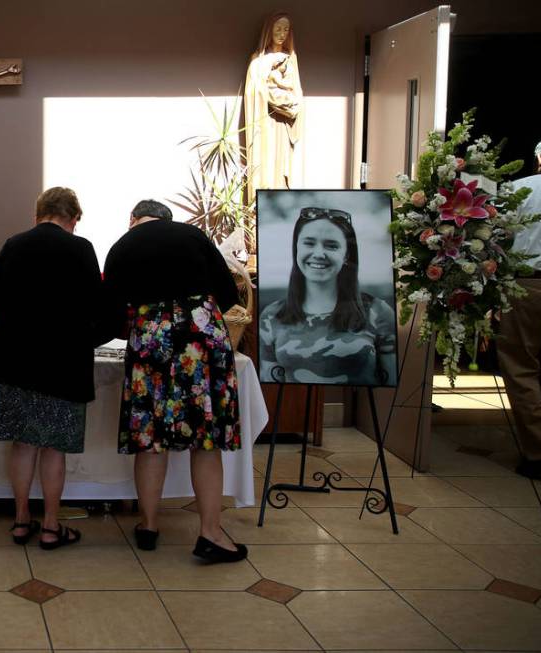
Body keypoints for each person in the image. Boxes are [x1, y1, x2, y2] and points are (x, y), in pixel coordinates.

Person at [102, 199, 246, 563]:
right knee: (206, 439)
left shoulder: (122, 245)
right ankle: (211, 533)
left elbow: (112, 314)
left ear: (132, 219)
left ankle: (149, 526)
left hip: (151, 337)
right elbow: (228, 295)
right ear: (169, 219)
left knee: (150, 437)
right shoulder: (193, 234)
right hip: (202, 335)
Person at [0, 187, 102, 548]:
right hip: (64, 363)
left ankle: (21, 521)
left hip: (16, 360)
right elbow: (97, 306)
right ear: (73, 218)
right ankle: (51, 526)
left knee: (22, 444)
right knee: (53, 448)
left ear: (38, 214)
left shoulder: (14, 244)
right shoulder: (81, 249)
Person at [259, 207, 397, 386]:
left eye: (331, 245)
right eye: (309, 243)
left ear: (347, 254)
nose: (319, 254)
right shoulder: (271, 317)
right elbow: (270, 384)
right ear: (296, 248)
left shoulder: (378, 312)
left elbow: (390, 379)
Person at [497, 137, 541, 480]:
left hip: (528, 284)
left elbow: (497, 238)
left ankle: (540, 453)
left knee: (521, 366)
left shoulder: (520, 189)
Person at [244, 12, 303, 199]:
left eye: (286, 29)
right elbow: (253, 91)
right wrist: (273, 95)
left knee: (281, 166)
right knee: (265, 163)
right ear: (269, 31)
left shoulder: (290, 59)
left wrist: (290, 103)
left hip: (284, 125)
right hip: (265, 122)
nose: (282, 33)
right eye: (278, 28)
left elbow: (296, 92)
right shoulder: (258, 60)